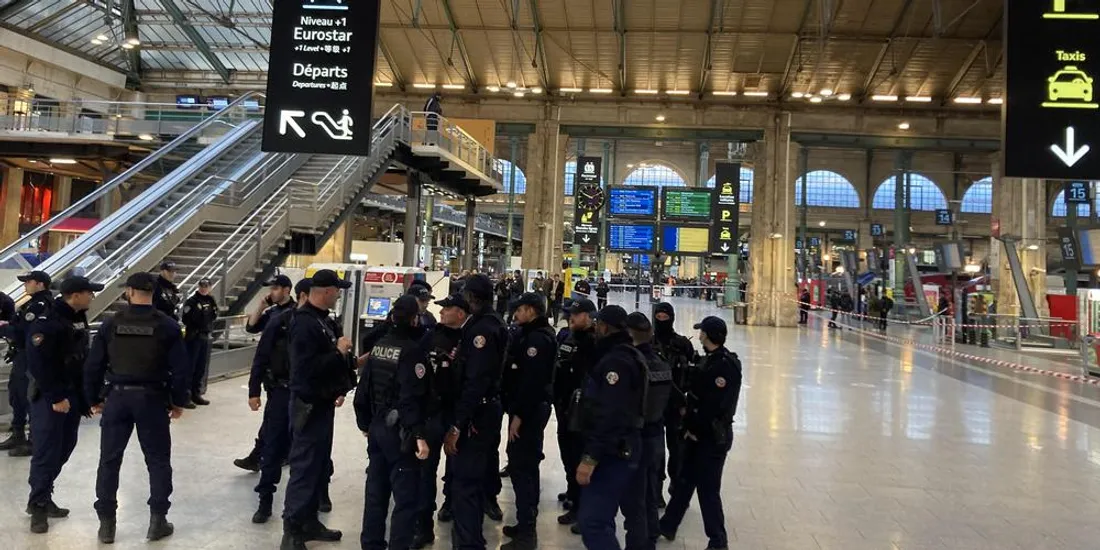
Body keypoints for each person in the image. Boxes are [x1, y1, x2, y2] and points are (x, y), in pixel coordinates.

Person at [83, 272, 191, 544]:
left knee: (109, 460)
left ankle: (107, 525)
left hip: (117, 399)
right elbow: (181, 370)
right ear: (152, 293)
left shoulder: (111, 323)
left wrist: (93, 398)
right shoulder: (167, 325)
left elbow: (94, 366)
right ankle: (157, 521)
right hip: (152, 400)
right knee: (157, 460)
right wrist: (178, 401)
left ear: (129, 292)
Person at [280, 270, 360, 550]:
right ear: (325, 291)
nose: (339, 295)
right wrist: (337, 352)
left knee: (317, 465)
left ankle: (309, 521)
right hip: (309, 405)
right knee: (304, 467)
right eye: (337, 290)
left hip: (323, 403)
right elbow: (304, 371)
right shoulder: (304, 324)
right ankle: (291, 531)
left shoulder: (323, 320)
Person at [24, 275, 102, 533]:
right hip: (51, 397)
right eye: (89, 292)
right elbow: (39, 365)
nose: (92, 296)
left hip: (72, 395)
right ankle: (37, 506)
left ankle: (44, 493)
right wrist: (56, 397)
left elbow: (80, 359)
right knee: (46, 450)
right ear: (75, 295)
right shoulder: (47, 322)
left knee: (66, 447)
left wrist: (85, 397)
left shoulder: (76, 318)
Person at [658, 316, 743, 550]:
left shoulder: (723, 366)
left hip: (711, 437)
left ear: (708, 335)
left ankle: (718, 540)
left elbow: (712, 407)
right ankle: (668, 525)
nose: (700, 335)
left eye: (702, 332)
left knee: (708, 490)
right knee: (685, 482)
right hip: (698, 434)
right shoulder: (712, 361)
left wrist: (694, 429)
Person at [355, 295, 432, 550]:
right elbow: (411, 398)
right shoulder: (413, 352)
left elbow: (362, 392)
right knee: (405, 499)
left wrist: (365, 424)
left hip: (377, 426)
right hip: (401, 434)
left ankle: (371, 544)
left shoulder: (378, 346)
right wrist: (419, 434)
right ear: (413, 319)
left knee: (376, 493)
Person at [442, 274, 509, 550]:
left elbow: (475, 382)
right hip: (485, 410)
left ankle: (468, 544)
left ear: (471, 298)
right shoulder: (491, 324)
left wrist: (458, 425)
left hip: (476, 415)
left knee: (466, 484)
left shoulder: (481, 331)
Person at [575, 305, 647, 550]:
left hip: (612, 451)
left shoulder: (616, 361)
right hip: (628, 445)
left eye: (598, 324)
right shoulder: (628, 354)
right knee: (624, 516)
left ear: (605, 327)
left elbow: (609, 413)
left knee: (592, 522)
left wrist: (590, 458)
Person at [248, 279, 311, 524]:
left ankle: (309, 503)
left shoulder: (322, 323)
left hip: (309, 395)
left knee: (309, 450)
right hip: (281, 392)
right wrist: (254, 391)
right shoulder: (279, 320)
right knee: (273, 447)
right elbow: (261, 355)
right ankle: (265, 500)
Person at [500, 293, 557, 550]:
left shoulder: (537, 339)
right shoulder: (532, 333)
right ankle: (525, 522)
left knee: (523, 467)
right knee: (524, 463)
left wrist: (518, 416)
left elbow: (531, 382)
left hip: (530, 410)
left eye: (520, 310)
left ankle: (527, 532)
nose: (516, 315)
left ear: (532, 311)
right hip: (527, 408)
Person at [412, 294, 467, 547]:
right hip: (432, 412)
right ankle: (423, 527)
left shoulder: (470, 339)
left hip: (459, 413)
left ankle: (453, 506)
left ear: (461, 313)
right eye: (442, 309)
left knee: (459, 468)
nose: (442, 312)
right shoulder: (431, 335)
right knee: (425, 473)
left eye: (448, 308)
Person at [620, 312, 673, 550]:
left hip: (637, 436)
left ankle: (640, 543)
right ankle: (652, 532)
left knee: (635, 499)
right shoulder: (661, 362)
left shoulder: (633, 364)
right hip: (656, 434)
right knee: (651, 489)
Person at [236, 274, 299, 472]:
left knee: (275, 420)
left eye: (275, 289)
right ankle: (276, 454)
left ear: (287, 289)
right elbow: (251, 327)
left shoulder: (295, 313)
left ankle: (260, 456)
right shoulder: (273, 312)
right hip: (272, 377)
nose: (271, 292)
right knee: (275, 419)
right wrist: (261, 306)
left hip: (286, 377)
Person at [553, 298, 599, 524]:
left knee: (578, 455)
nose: (571, 317)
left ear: (590, 317)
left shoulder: (594, 343)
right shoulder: (567, 337)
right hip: (564, 407)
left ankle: (584, 508)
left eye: (576, 314)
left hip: (582, 410)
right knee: (567, 454)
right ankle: (573, 492)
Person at [0, 270, 55, 457]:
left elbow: (22, 330)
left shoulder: (41, 305)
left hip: (32, 356)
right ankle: (17, 434)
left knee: (30, 396)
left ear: (40, 284)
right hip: (21, 355)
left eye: (28, 282)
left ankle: (34, 439)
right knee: (17, 394)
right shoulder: (30, 303)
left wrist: (5, 328)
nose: (25, 285)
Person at [651, 302, 695, 503]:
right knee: (656, 450)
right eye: (658, 317)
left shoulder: (683, 344)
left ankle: (676, 488)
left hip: (678, 407)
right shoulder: (649, 344)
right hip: (654, 406)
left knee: (677, 450)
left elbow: (693, 375)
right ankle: (655, 488)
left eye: (665, 317)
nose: (661, 321)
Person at [181, 278, 217, 407]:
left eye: (206, 286)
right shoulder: (192, 301)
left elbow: (213, 315)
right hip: (193, 337)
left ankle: (196, 393)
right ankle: (186, 396)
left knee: (201, 367)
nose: (204, 288)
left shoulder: (211, 300)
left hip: (204, 336)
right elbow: (186, 318)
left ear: (210, 287)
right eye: (202, 286)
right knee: (190, 367)